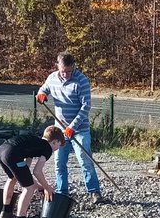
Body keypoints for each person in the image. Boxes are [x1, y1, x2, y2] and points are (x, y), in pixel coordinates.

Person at [36, 52, 111, 204]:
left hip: (80, 129)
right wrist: (41, 94)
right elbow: (43, 89)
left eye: (69, 71)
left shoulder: (81, 80)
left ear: (74, 67)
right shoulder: (52, 78)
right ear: (57, 66)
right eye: (63, 71)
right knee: (59, 162)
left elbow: (86, 107)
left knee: (85, 160)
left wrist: (72, 127)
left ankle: (94, 192)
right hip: (59, 131)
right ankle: (62, 192)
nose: (66, 74)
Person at [0, 126, 66, 218]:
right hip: (12, 153)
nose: (57, 149)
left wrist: (39, 186)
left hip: (1, 151)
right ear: (55, 142)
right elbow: (37, 171)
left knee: (13, 178)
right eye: (59, 145)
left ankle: (6, 212)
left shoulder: (34, 142)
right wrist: (47, 188)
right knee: (29, 188)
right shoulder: (47, 148)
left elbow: (25, 170)